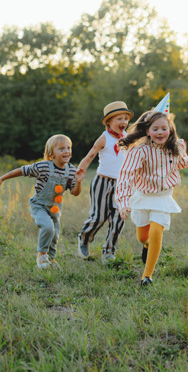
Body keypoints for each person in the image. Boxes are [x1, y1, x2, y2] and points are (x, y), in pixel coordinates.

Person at [115, 94, 188, 286]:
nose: (160, 132)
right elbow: (126, 176)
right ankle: (147, 246)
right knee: (143, 237)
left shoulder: (176, 147)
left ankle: (147, 276)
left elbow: (185, 161)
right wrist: (123, 202)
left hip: (163, 196)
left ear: (170, 129)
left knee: (157, 231)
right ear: (148, 131)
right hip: (143, 195)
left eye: (164, 128)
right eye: (155, 129)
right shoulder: (139, 151)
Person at [0, 134, 84, 269]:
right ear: (51, 154)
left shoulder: (71, 171)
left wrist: (78, 182)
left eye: (68, 148)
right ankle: (41, 255)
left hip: (55, 208)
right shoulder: (43, 167)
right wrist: (3, 178)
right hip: (39, 205)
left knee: (54, 234)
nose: (67, 151)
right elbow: (22, 170)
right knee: (47, 227)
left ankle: (51, 258)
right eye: (62, 149)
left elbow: (75, 193)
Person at [77, 101, 133, 263]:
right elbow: (91, 154)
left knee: (119, 218)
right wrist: (81, 169)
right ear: (109, 122)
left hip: (122, 184)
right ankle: (84, 239)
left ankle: (109, 250)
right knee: (98, 217)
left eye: (125, 119)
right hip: (102, 181)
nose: (123, 122)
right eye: (119, 119)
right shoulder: (104, 138)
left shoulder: (128, 138)